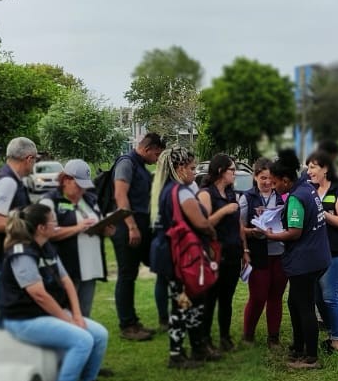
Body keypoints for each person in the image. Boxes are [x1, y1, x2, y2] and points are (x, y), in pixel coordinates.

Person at [0, 202, 110, 381]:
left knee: (99, 334)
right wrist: (68, 321)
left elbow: (67, 282)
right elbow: (38, 294)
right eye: (53, 222)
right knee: (82, 339)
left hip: (46, 314)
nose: (57, 225)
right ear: (41, 228)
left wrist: (77, 315)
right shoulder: (22, 253)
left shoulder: (46, 246)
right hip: (23, 319)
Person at [263, 149, 329, 370]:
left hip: (306, 261)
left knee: (305, 306)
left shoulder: (296, 197)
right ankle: (299, 346)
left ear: (285, 180)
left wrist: (270, 235)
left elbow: (294, 232)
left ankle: (310, 357)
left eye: (274, 182)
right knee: (295, 302)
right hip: (316, 256)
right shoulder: (306, 189)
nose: (273, 186)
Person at [153, 146, 218, 368]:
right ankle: (177, 353)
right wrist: (211, 231)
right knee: (182, 304)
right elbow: (200, 222)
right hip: (179, 258)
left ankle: (196, 346)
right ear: (180, 168)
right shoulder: (179, 191)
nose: (193, 172)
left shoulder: (167, 190)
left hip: (173, 255)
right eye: (191, 168)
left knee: (191, 301)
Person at [110, 132, 166, 341]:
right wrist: (131, 226)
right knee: (126, 274)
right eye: (157, 153)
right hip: (127, 227)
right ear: (146, 148)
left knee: (144, 269)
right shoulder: (126, 163)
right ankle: (127, 325)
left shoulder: (140, 166)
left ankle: (134, 321)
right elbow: (120, 195)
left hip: (142, 226)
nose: (158, 158)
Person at [35, 159, 109, 320]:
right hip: (66, 268)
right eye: (78, 185)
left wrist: (107, 228)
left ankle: (85, 341)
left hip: (90, 267)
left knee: (84, 313)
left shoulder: (89, 199)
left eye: (84, 186)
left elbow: (98, 221)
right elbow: (45, 233)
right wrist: (77, 228)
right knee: (65, 314)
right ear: (66, 180)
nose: (82, 190)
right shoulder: (49, 201)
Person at [0, 138, 39, 317]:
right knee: (12, 315)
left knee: (11, 315)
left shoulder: (11, 178)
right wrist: (28, 225)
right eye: (35, 159)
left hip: (2, 258)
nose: (34, 163)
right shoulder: (8, 182)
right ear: (28, 159)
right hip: (1, 260)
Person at [196, 154, 245, 351]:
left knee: (227, 298)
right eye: (232, 170)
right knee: (210, 299)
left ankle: (225, 337)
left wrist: (245, 249)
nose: (235, 173)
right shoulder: (206, 194)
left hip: (233, 253)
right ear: (220, 171)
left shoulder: (232, 193)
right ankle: (205, 339)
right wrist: (224, 211)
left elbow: (238, 224)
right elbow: (204, 224)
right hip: (214, 254)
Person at [309, 149, 338, 354]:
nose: (309, 171)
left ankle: (336, 341)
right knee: (318, 297)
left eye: (313, 167)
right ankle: (330, 329)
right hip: (316, 252)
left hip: (335, 252)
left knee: (330, 296)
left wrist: (324, 215)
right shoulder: (311, 190)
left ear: (325, 169)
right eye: (308, 167)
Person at [241, 157, 288, 346]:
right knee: (258, 296)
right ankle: (248, 334)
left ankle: (273, 336)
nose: (267, 182)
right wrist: (252, 233)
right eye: (263, 178)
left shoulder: (282, 197)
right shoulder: (247, 198)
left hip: (280, 253)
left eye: (270, 178)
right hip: (258, 252)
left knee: (276, 296)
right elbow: (240, 227)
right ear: (255, 177)